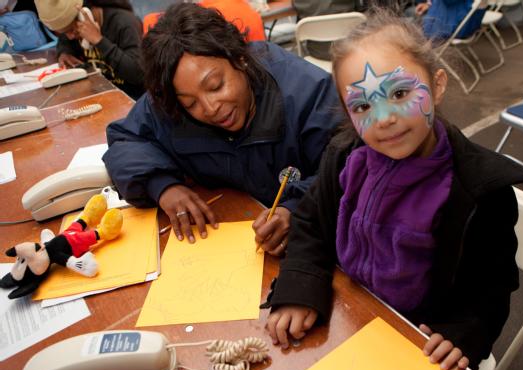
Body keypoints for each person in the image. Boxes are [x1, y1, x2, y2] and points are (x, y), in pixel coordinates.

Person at [264, 10, 523, 370]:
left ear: (437, 84)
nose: (383, 119)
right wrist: (300, 288)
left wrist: (464, 333)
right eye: (363, 105)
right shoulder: (344, 158)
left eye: (399, 93)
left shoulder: (480, 194)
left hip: (415, 343)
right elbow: (311, 225)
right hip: (344, 313)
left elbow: (490, 288)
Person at [102, 3, 343, 256]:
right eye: (190, 103)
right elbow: (125, 140)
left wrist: (297, 209)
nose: (210, 108)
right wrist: (161, 186)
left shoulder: (306, 90)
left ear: (240, 58)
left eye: (216, 86)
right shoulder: (171, 96)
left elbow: (348, 164)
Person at [34, 0, 144, 99]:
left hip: (129, 98)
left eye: (72, 30)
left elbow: (138, 74)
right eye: (65, 32)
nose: (70, 37)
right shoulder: (73, 30)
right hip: (98, 93)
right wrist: (64, 52)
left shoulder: (125, 23)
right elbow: (64, 40)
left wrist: (99, 41)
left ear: (84, 14)